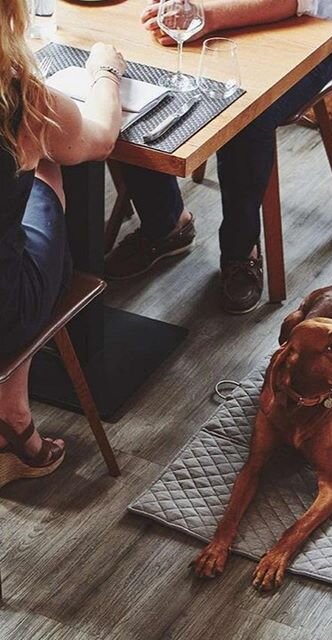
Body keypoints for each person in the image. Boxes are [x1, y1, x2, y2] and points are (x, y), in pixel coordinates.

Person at [105, 0, 332, 314]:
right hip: (207, 22)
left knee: (244, 117)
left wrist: (205, 17)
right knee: (126, 81)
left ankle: (240, 251)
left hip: (305, 31)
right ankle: (165, 225)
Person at [0, 0, 126, 487]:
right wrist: (105, 73)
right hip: (5, 313)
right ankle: (12, 413)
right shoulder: (19, 96)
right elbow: (98, 139)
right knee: (48, 162)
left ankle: (13, 415)